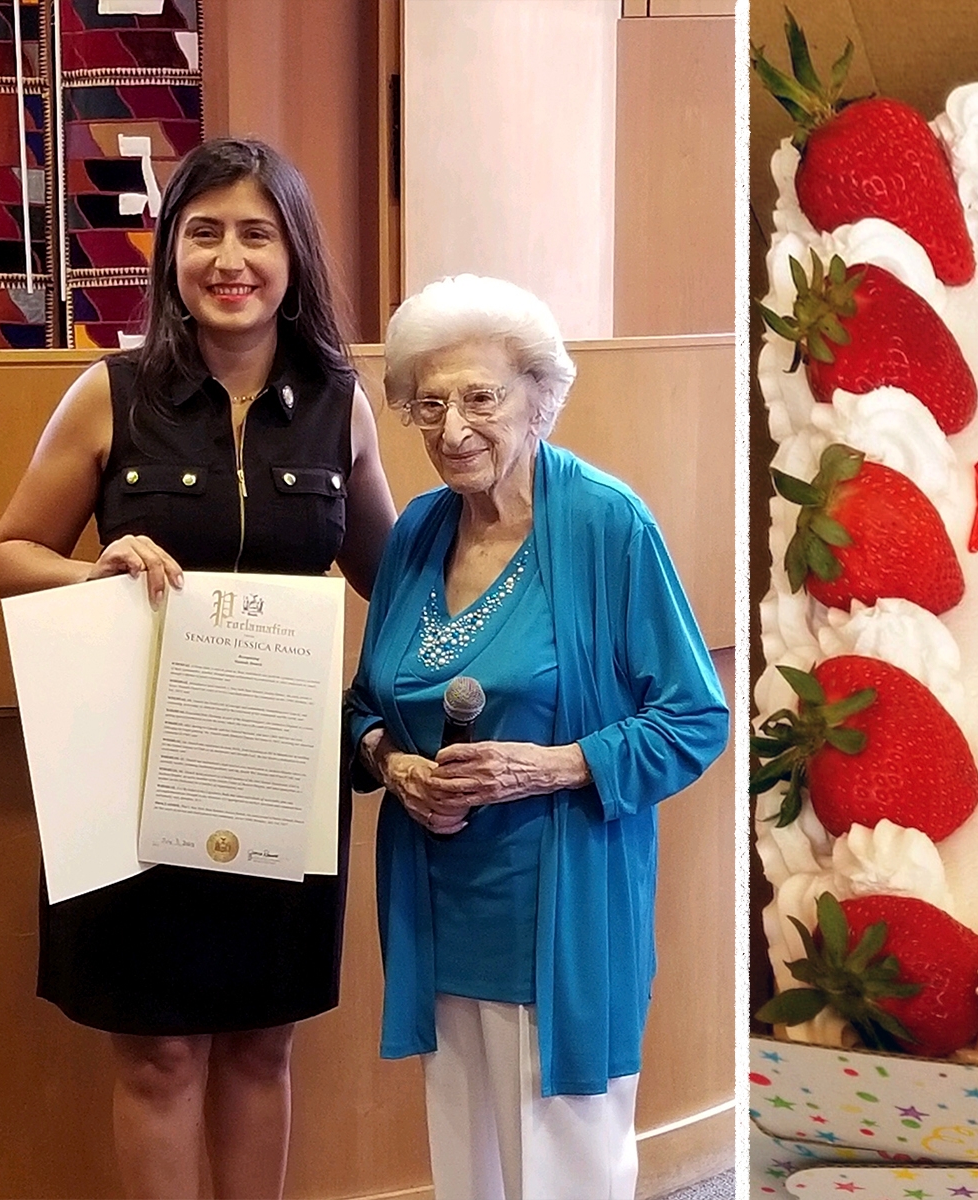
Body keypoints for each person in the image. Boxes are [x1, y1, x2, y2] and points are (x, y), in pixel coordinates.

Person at [0, 137, 397, 1198]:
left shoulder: (341, 402)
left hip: (278, 765)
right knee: (159, 1052)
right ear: (170, 251)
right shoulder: (110, 394)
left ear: (293, 254)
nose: (230, 258)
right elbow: (8, 553)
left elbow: (392, 574)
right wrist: (95, 571)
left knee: (263, 1043)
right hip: (129, 770)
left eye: (256, 233)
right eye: (204, 231)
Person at [345, 274, 728, 1200]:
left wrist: (551, 766)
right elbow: (366, 703)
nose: (453, 428)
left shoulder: (604, 523)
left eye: (482, 397)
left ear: (539, 398)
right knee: (469, 1168)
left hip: (563, 914)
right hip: (443, 913)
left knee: (567, 1173)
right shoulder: (417, 534)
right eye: (428, 404)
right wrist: (390, 763)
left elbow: (695, 716)